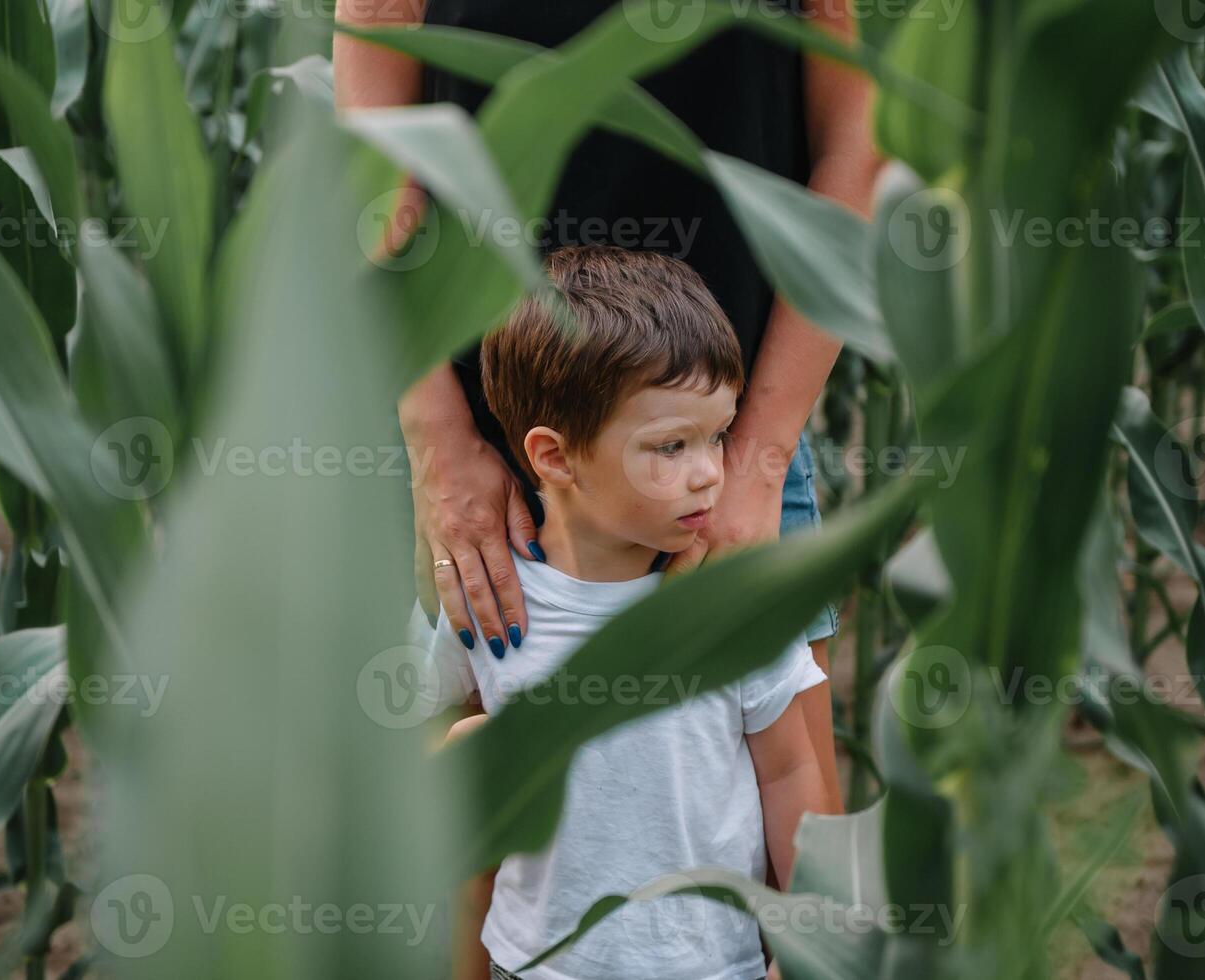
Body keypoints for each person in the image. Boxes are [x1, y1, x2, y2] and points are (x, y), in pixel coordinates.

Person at [335, 0, 879, 817]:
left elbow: (853, 147)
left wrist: (761, 456)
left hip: (731, 456)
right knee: (475, 862)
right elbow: (374, 171)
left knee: (789, 858)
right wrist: (439, 443)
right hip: (492, 471)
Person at [421, 245, 831, 980]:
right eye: (670, 447)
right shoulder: (490, 603)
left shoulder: (732, 610)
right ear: (553, 457)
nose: (710, 472)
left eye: (719, 435)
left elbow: (790, 772)